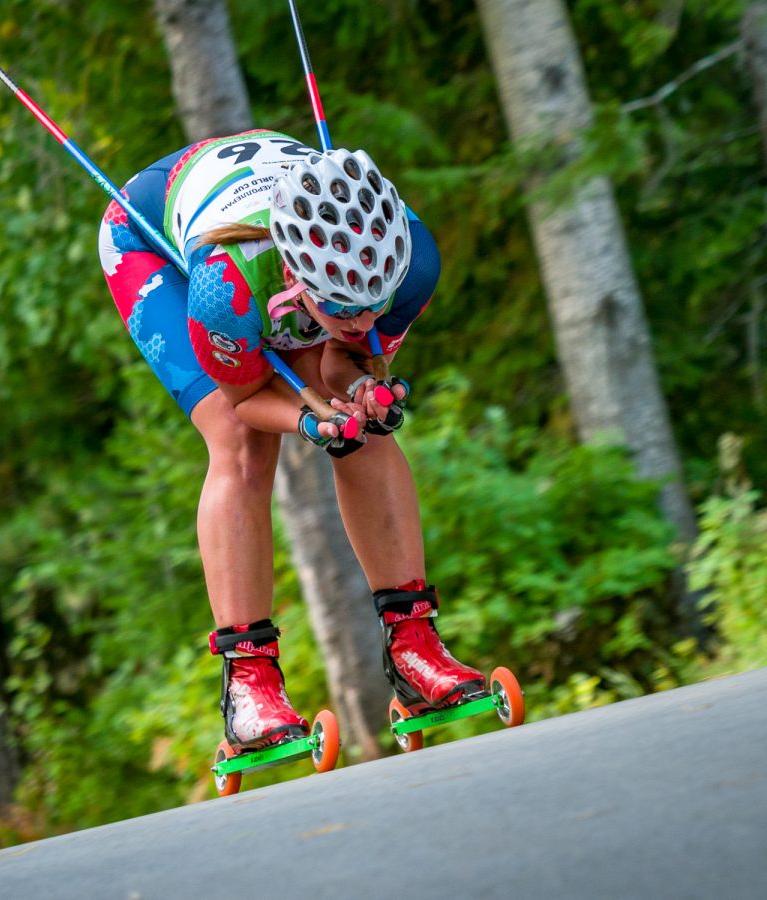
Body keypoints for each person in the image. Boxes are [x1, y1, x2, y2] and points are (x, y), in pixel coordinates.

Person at [98, 129, 486, 750]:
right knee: (240, 442)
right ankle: (248, 683)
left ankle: (414, 646)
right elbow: (246, 401)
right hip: (152, 240)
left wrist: (360, 389)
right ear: (296, 279)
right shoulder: (224, 290)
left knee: (360, 423)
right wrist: (308, 421)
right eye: (344, 308)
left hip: (301, 230)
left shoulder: (412, 263)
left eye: (376, 303)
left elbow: (344, 359)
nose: (365, 320)